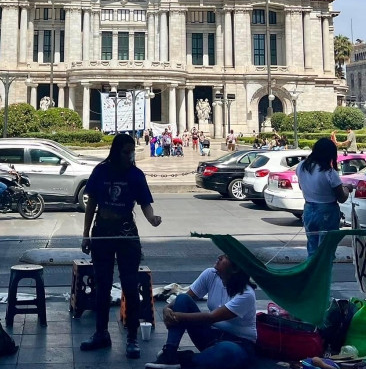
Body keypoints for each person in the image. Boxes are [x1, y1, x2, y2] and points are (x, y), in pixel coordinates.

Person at [80, 133, 161, 360]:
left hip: (126, 232)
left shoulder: (135, 174)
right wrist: (86, 235)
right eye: (125, 152)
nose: (129, 155)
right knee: (102, 284)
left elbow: (145, 203)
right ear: (116, 151)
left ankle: (132, 337)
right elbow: (91, 203)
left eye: (131, 151)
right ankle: (101, 333)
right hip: (103, 230)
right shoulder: (101, 171)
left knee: (130, 284)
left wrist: (152, 219)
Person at [145, 254, 257, 369]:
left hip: (239, 344)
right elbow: (187, 297)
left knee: (226, 351)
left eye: (225, 257)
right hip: (211, 336)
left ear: (235, 269)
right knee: (182, 299)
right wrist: (167, 309)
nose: (219, 257)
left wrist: (178, 316)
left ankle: (183, 360)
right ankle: (170, 351)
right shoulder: (211, 274)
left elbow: (212, 317)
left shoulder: (246, 294)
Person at [297, 138, 351, 257]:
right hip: (328, 211)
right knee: (326, 250)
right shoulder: (329, 173)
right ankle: (324, 274)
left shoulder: (301, 167)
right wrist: (347, 188)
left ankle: (312, 274)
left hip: (309, 209)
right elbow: (342, 198)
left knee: (312, 247)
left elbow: (302, 187)